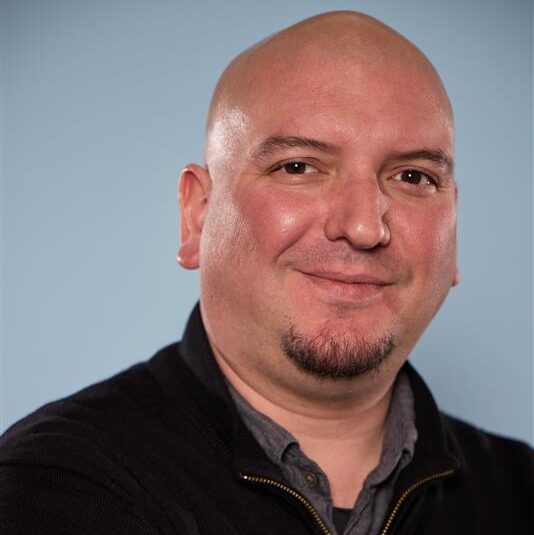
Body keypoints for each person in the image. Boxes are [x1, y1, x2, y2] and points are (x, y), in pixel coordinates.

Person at [0, 10, 532, 535]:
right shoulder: (60, 487)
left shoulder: (521, 493)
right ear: (197, 216)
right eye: (298, 167)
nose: (364, 227)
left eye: (413, 177)